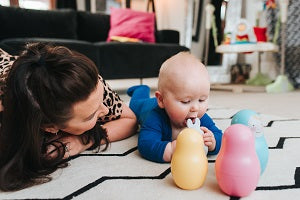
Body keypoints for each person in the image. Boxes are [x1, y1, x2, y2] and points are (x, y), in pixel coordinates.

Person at [0, 43, 137, 191]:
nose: (105, 109)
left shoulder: (83, 82)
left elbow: (129, 119)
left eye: (101, 95)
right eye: (91, 115)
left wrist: (83, 141)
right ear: (50, 127)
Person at [127, 52, 222, 163]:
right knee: (135, 104)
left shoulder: (199, 118)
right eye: (186, 101)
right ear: (162, 100)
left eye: (202, 100)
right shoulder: (155, 116)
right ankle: (141, 89)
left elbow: (219, 135)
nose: (195, 108)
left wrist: (213, 142)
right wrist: (171, 150)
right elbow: (146, 144)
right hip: (145, 107)